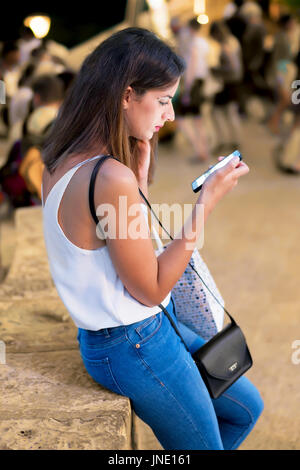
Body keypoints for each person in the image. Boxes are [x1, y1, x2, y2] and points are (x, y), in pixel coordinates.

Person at [41, 27, 263, 450]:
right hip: (134, 341)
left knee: (246, 407)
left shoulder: (59, 157)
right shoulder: (109, 176)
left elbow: (106, 239)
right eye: (162, 100)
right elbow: (151, 288)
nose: (171, 115)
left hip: (123, 335)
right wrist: (205, 206)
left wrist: (138, 180)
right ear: (126, 95)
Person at [173, 18, 211, 163]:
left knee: (181, 118)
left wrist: (187, 90)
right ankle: (203, 152)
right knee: (198, 120)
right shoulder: (203, 42)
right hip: (201, 83)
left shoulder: (192, 44)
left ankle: (199, 150)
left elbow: (192, 66)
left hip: (193, 84)